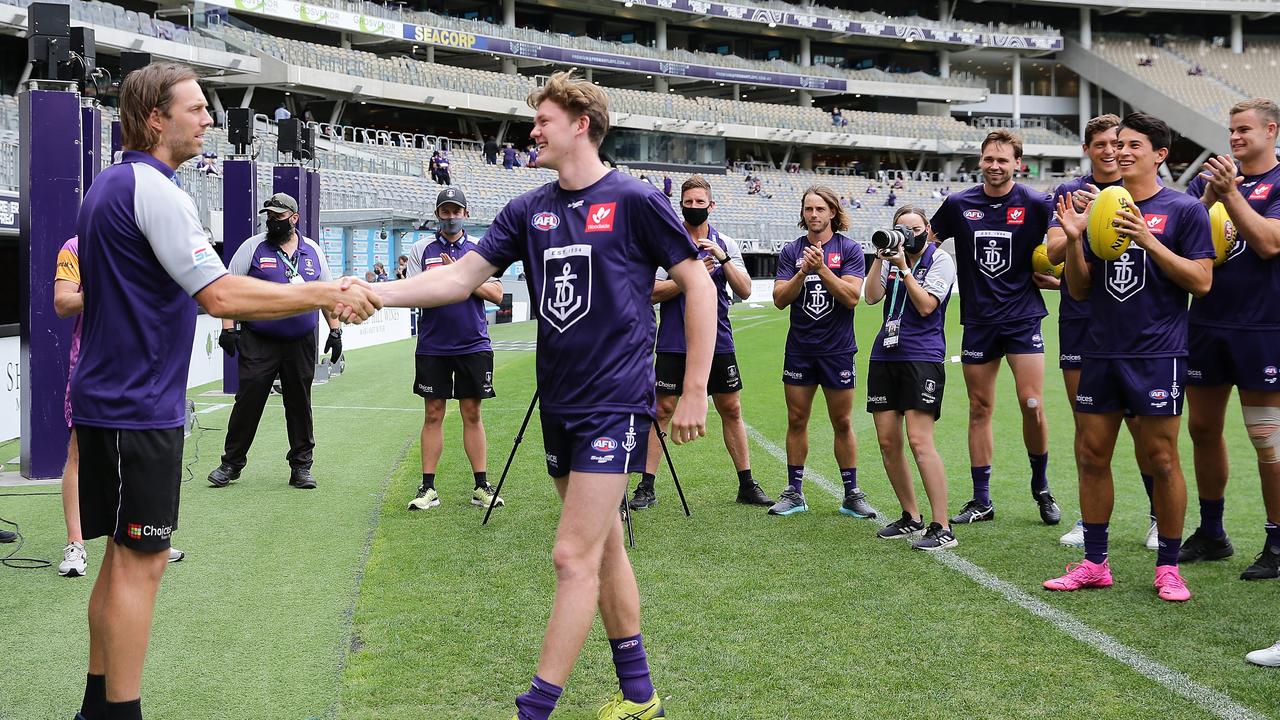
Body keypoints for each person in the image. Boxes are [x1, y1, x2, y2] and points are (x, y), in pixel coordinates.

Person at [363, 69, 714, 720]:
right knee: (603, 544)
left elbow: (699, 285)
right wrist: (373, 293)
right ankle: (641, 698)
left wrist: (694, 388)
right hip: (559, 404)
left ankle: (536, 708)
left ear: (581, 124)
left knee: (571, 554)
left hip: (615, 402)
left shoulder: (635, 199)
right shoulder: (530, 209)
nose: (533, 131)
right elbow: (461, 278)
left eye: (544, 120)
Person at [69, 62, 378, 720]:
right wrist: (326, 291)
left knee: (122, 560)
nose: (209, 119)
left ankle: (97, 707)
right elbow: (220, 295)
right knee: (141, 563)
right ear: (157, 118)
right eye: (196, 109)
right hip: (134, 407)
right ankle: (119, 712)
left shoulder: (111, 186)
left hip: (111, 400)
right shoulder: (155, 191)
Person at [1046, 111, 1213, 602]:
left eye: (1132, 145)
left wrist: (1146, 239)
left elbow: (1200, 281)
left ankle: (1168, 567)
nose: (1119, 151)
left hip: (1158, 354)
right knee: (1091, 455)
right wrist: (1076, 239)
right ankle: (1095, 562)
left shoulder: (1184, 210)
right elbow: (1077, 289)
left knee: (1162, 459)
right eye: (1116, 144)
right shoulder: (1098, 207)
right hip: (1100, 349)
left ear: (1159, 155)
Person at [929, 129, 1061, 526]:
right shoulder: (958, 203)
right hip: (979, 321)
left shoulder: (1037, 203)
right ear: (980, 160)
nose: (995, 166)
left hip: (1022, 318)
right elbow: (927, 243)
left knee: (1031, 404)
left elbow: (1059, 244)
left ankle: (1041, 488)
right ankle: (981, 499)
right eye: (989, 158)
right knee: (979, 408)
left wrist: (1059, 274)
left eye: (1003, 160)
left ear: (1017, 164)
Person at [1048, 115, 1160, 551]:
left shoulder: (1147, 192)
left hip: (1135, 323)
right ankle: (1088, 519)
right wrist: (1085, 216)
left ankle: (1156, 515)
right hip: (1081, 319)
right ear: (1088, 149)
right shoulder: (1068, 192)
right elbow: (1053, 250)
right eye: (1100, 145)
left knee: (1140, 427)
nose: (1110, 151)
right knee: (1087, 424)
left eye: (1117, 143)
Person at [628, 175, 772, 510]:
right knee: (662, 410)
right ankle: (645, 487)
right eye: (688, 202)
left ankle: (747, 484)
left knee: (731, 409)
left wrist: (721, 259)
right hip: (674, 341)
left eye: (699, 202)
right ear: (681, 204)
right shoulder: (666, 241)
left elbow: (745, 289)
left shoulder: (726, 243)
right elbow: (649, 293)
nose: (694, 207)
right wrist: (689, 277)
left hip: (718, 340)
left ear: (711, 205)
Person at [1182, 98, 1280, 579]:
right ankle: (1212, 532)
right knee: (1201, 429)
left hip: (1262, 326)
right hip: (1207, 322)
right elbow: (1188, 240)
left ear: (1271, 130)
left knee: (1266, 437)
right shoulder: (1212, 183)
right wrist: (1206, 200)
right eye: (1231, 131)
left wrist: (1230, 194)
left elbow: (1268, 242)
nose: (1235, 138)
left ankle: (1277, 542)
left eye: (1244, 130)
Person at [54, 236, 185, 576]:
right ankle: (75, 544)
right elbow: (62, 302)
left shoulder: (150, 244)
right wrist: (104, 291)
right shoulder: (76, 247)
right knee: (79, 453)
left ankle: (147, 536)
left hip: (144, 369)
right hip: (94, 369)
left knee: (141, 453)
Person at [206, 192, 343, 490]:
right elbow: (227, 290)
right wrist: (228, 329)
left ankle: (301, 467)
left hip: (301, 342)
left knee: (299, 404)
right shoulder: (252, 247)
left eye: (278, 216)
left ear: (294, 218)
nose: (272, 221)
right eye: (269, 215)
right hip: (259, 339)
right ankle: (231, 464)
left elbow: (328, 295)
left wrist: (335, 331)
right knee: (248, 401)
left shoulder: (313, 252)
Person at [768, 185, 873, 518]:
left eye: (819, 209)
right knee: (797, 419)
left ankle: (852, 494)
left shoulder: (850, 249)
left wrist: (823, 268)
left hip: (837, 350)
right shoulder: (791, 251)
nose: (813, 215)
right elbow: (780, 299)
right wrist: (803, 270)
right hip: (800, 349)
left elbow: (852, 297)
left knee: (842, 421)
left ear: (833, 213)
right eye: (808, 209)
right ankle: (794, 492)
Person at [405, 187, 506, 512]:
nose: (451, 217)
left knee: (472, 413)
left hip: (473, 343)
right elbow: (414, 293)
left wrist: (462, 277)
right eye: (445, 212)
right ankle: (428, 488)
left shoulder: (480, 248)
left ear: (466, 213)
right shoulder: (421, 249)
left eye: (456, 211)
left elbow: (497, 295)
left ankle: (481, 486)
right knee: (433, 413)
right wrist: (448, 277)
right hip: (433, 344)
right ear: (438, 214)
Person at [863, 206, 958, 550]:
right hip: (885, 354)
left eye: (915, 228)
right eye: (901, 228)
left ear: (928, 229)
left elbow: (926, 305)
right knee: (888, 442)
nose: (908, 234)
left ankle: (942, 526)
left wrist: (904, 269)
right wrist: (880, 259)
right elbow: (871, 297)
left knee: (919, 441)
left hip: (922, 356)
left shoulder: (940, 260)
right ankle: (911, 516)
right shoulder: (890, 259)